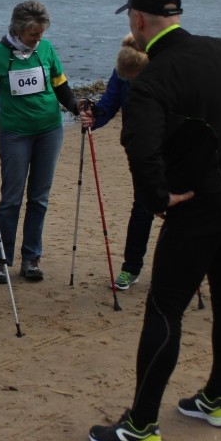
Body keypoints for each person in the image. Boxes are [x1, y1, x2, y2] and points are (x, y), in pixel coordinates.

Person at [88, 0, 221, 441]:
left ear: (137, 19)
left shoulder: (152, 79)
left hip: (199, 205)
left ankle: (141, 426)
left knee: (165, 307)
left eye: (130, 19)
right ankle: (216, 399)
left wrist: (158, 197)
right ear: (175, 14)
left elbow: (138, 144)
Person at [0, 0, 79, 284]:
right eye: (33, 34)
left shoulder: (46, 50)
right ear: (17, 29)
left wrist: (78, 107)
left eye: (41, 33)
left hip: (50, 131)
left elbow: (61, 87)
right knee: (11, 199)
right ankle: (0, 260)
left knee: (39, 198)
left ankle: (31, 258)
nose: (38, 39)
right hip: (15, 134)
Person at [79, 34, 152, 290]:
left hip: (172, 149)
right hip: (138, 148)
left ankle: (177, 266)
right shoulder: (122, 71)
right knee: (143, 206)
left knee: (177, 209)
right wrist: (94, 117)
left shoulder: (166, 69)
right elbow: (109, 103)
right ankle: (131, 269)